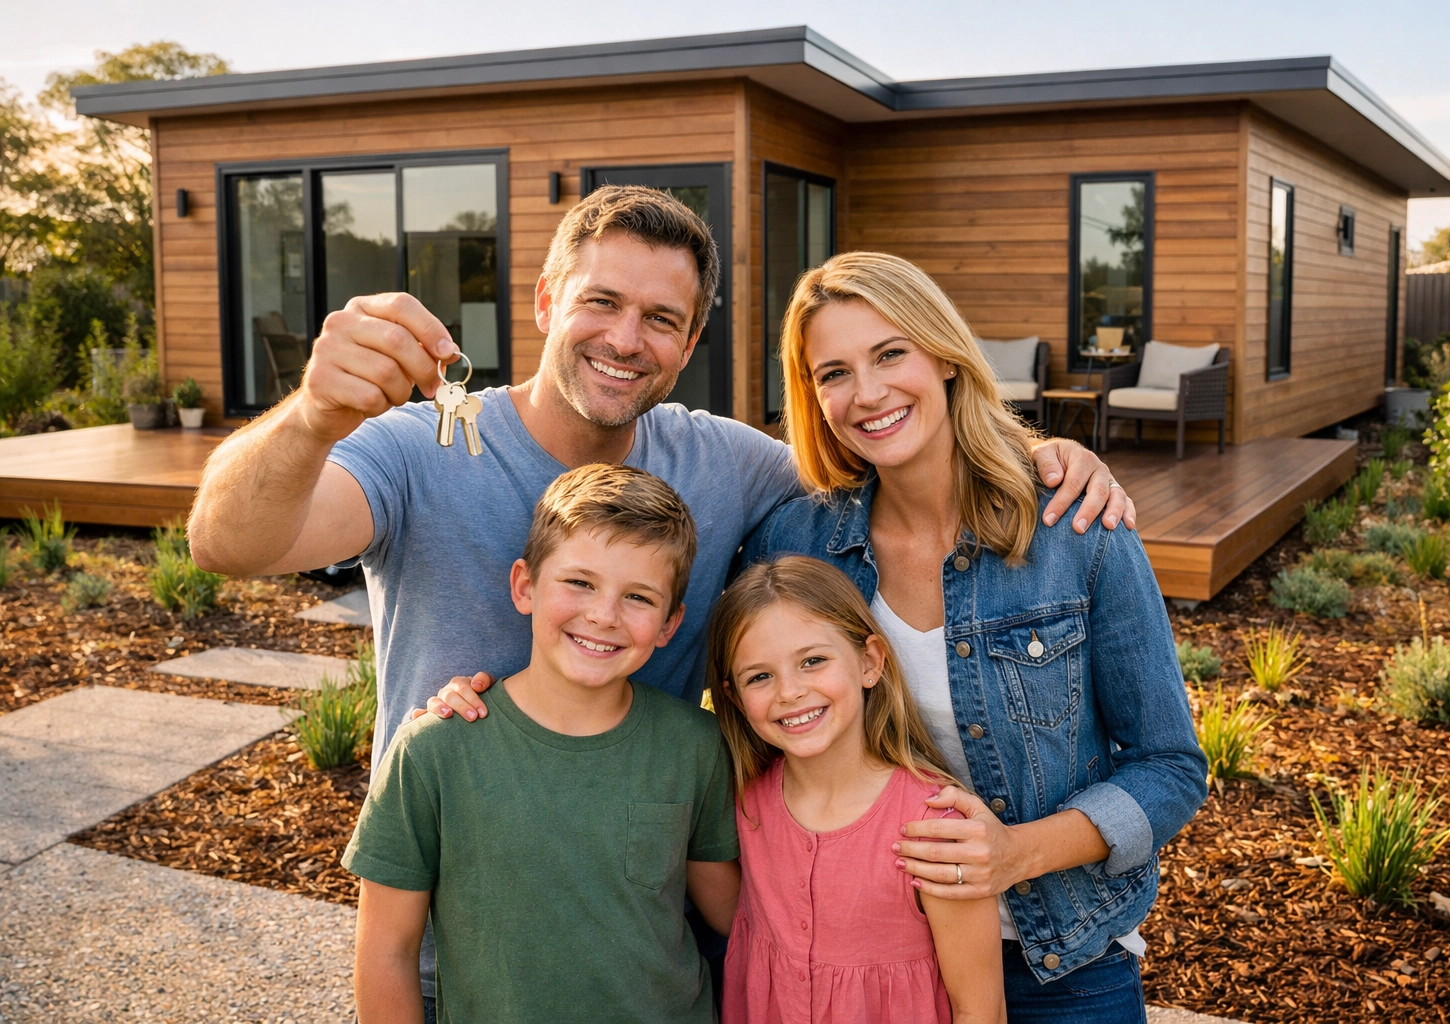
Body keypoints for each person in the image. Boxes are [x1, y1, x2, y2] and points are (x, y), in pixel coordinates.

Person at [188, 185, 1131, 1011]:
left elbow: (880, 453)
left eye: (662, 318)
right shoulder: (422, 445)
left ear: (689, 343)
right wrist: (313, 416)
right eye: (601, 301)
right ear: (547, 300)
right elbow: (227, 542)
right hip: (469, 965)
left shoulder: (726, 465)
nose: (625, 339)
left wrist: (1034, 458)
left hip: (647, 957)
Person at [739, 251, 1207, 1023]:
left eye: (891, 354)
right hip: (867, 964)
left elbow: (1171, 767)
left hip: (1059, 964)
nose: (868, 392)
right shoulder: (796, 544)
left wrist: (1019, 853)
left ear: (946, 357)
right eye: (835, 373)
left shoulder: (1073, 530)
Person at [345, 464, 740, 1024]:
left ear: (670, 624)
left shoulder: (695, 746)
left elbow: (736, 915)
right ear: (525, 586)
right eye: (579, 583)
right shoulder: (432, 753)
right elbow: (386, 953)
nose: (602, 615)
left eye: (638, 597)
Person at [707, 555, 1004, 1024]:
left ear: (870, 661)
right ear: (735, 697)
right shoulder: (744, 802)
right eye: (760, 676)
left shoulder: (934, 829)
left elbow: (980, 1011)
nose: (789, 692)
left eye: (813, 661)